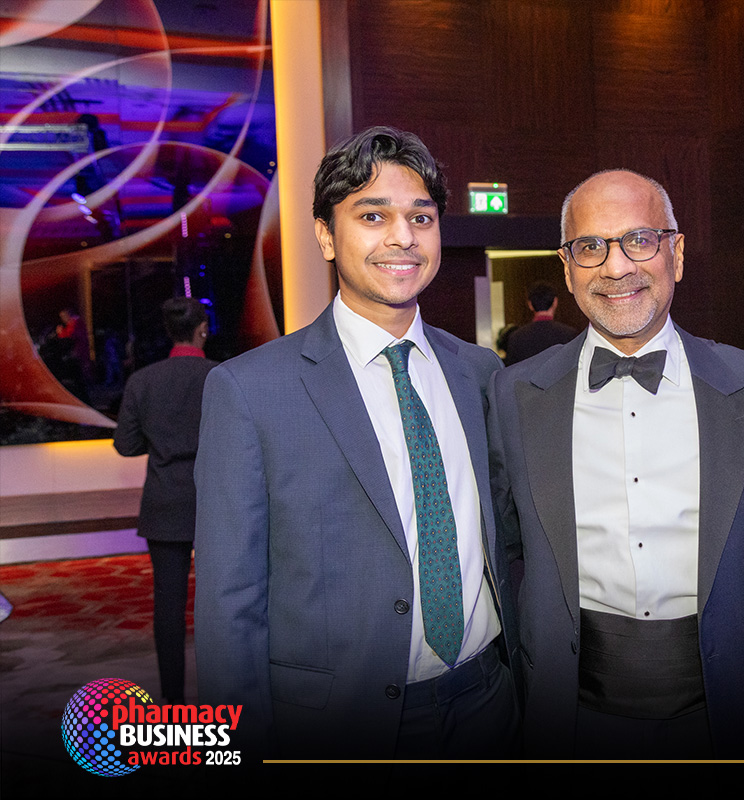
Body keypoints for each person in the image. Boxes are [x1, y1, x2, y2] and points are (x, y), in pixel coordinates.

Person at [193, 127, 519, 759]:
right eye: (373, 216)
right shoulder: (250, 390)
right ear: (325, 235)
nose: (403, 237)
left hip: (488, 703)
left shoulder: (479, 373)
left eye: (420, 217)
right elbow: (230, 606)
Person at [488, 169, 744, 758]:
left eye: (639, 240)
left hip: (733, 709)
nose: (616, 267)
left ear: (677, 254)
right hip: (568, 713)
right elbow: (504, 546)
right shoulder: (514, 396)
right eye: (591, 246)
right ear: (567, 268)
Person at [114, 297, 216, 703]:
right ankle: (224, 692)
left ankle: (173, 702)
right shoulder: (222, 377)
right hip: (216, 505)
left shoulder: (143, 381)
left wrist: (161, 445)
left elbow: (125, 446)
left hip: (164, 504)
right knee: (221, 604)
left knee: (168, 607)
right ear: (202, 329)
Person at [503, 280, 576, 364]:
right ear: (555, 302)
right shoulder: (569, 335)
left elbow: (511, 369)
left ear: (530, 305)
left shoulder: (516, 337)